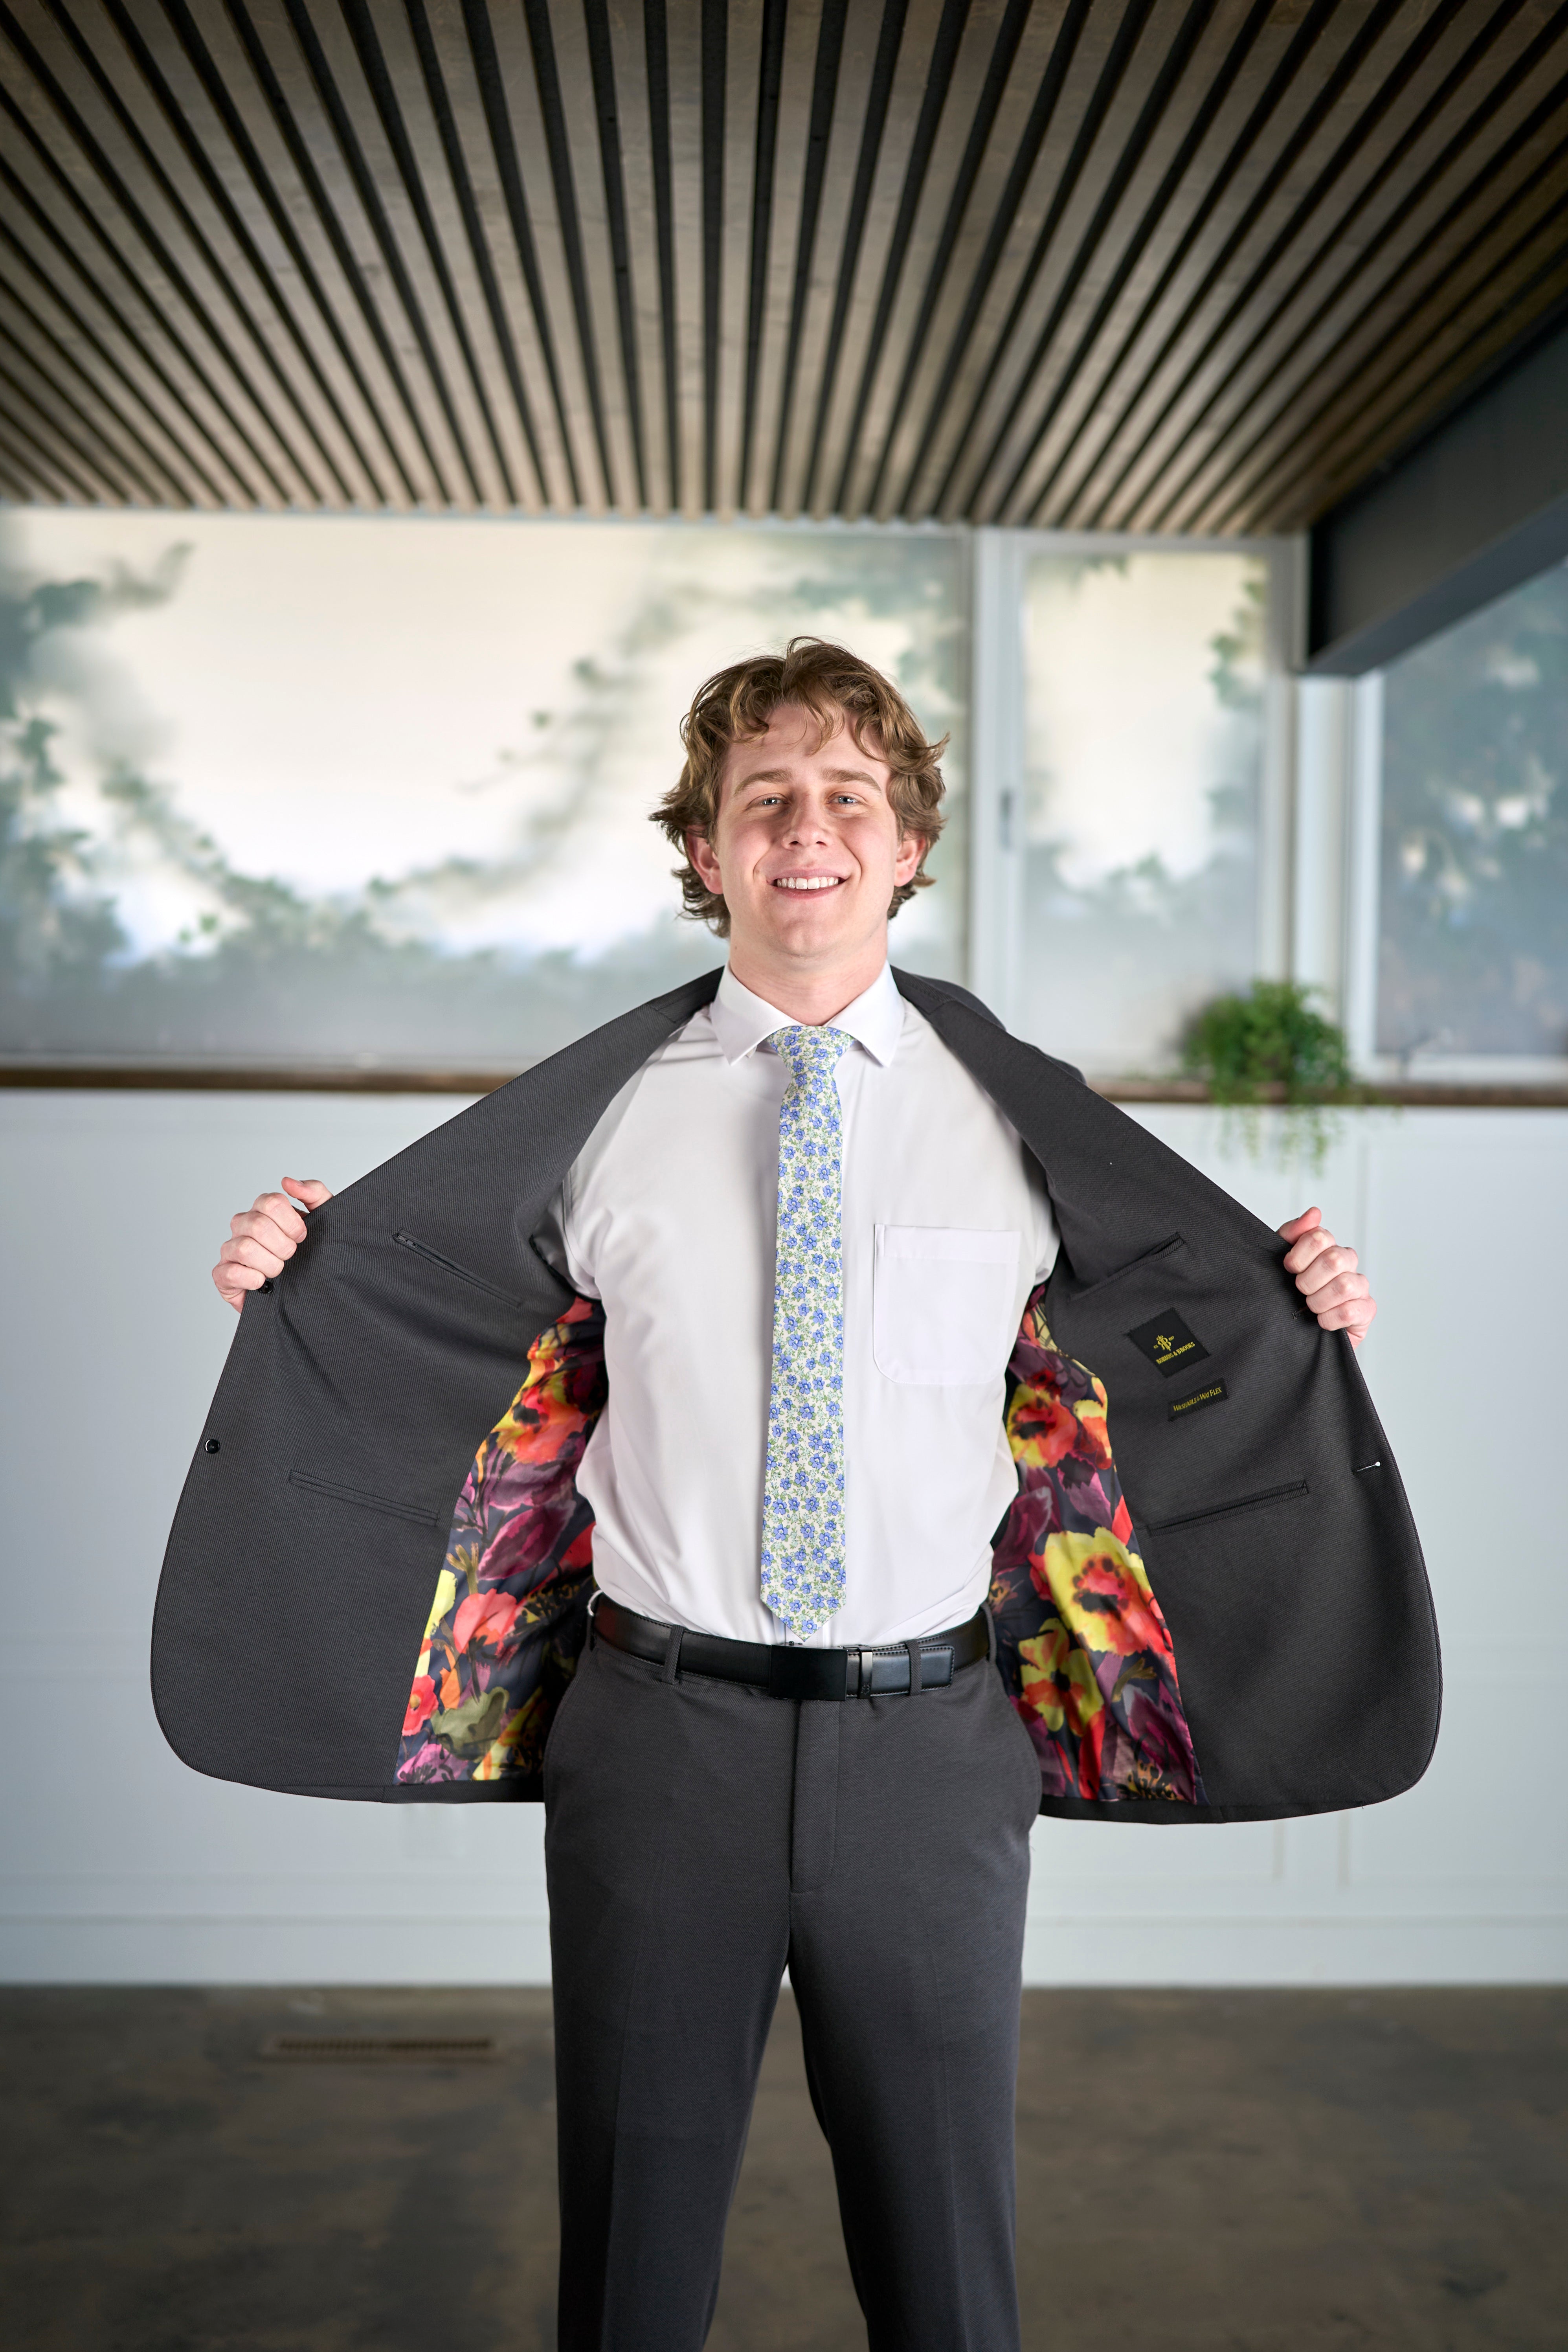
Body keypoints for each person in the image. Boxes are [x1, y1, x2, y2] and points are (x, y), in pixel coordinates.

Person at [170, 639, 1427, 2352]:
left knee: (947, 2276)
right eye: (763, 798)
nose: (806, 829)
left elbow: (1178, 1346)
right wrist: (292, 1274)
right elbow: (425, 1332)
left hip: (930, 1756)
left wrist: (1305, 1307)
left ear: (910, 844)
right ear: (705, 849)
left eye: (849, 795)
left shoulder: (1021, 1128)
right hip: (654, 1741)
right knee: (631, 2270)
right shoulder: (599, 1123)